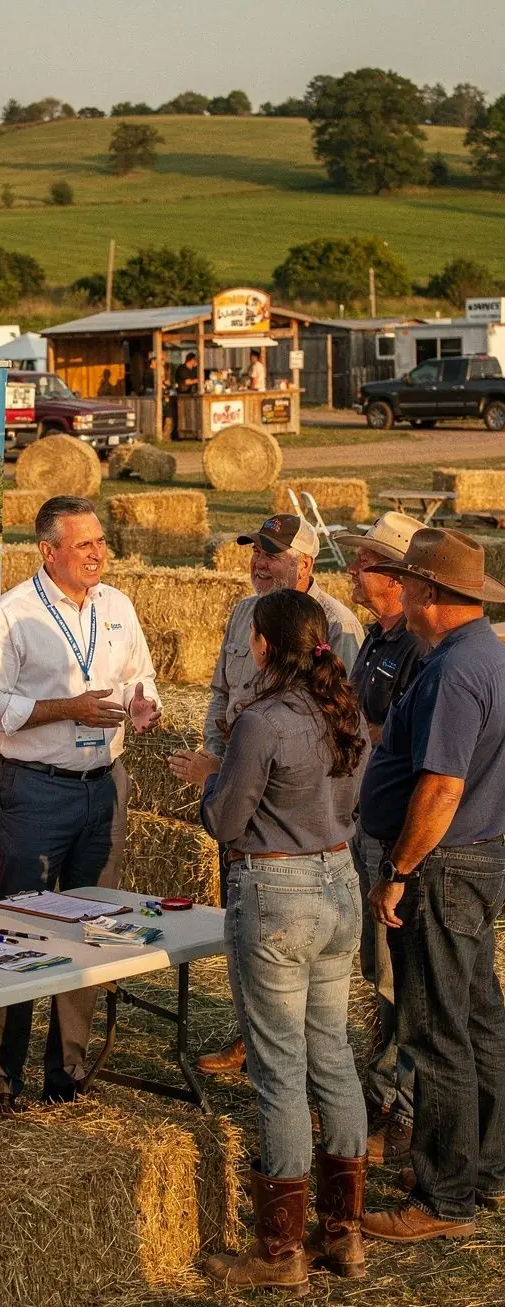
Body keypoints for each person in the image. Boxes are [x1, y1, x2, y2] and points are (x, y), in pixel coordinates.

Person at [173, 590, 368, 1293]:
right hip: (338, 881)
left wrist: (210, 784)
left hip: (278, 891)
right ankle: (344, 1236)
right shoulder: (341, 709)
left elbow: (226, 823)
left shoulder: (262, 722)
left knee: (280, 1068)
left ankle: (279, 1253)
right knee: (333, 1055)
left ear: (263, 645)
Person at [0, 496, 160, 1106]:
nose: (99, 553)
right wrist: (65, 710)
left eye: (101, 541)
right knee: (22, 927)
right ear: (48, 552)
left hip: (104, 783)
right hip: (36, 790)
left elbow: (140, 676)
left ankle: (67, 1075)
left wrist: (144, 704)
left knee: (94, 928)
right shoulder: (10, 614)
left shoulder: (118, 606)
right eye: (85, 545)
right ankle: (2, 1075)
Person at [175, 513, 365, 1076]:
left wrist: (228, 769)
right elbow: (219, 692)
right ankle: (251, 1029)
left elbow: (344, 725)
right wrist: (220, 756)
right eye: (255, 551)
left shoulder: (338, 624)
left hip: (297, 817)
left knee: (285, 937)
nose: (259, 562)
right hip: (241, 790)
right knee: (246, 923)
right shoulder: (243, 612)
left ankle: (290, 1060)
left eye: (272, 553)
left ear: (304, 564)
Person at [358, 530, 505, 1243]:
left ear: (433, 595)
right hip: (477, 857)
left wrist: (402, 870)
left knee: (437, 1029)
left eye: (410, 585)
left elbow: (442, 785)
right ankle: (487, 1168)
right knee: (478, 1016)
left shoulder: (452, 670)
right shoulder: (484, 654)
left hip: (442, 866)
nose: (402, 595)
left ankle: (445, 1198)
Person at [340, 512, 427, 1163]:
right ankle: (388, 1088)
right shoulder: (374, 639)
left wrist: (359, 732)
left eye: (364, 563)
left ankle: (401, 1109)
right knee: (377, 967)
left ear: (397, 576)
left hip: (400, 834)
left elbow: (404, 742)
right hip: (367, 824)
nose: (353, 572)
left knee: (399, 977)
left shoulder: (419, 652)